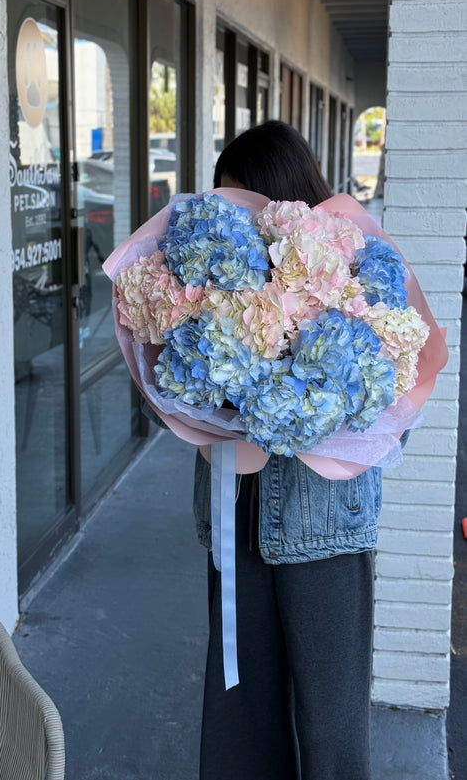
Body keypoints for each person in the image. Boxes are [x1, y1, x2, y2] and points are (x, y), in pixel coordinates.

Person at [194, 120, 381, 780]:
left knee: (331, 739)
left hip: (322, 526)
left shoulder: (353, 277)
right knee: (238, 722)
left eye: (239, 206)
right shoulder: (207, 281)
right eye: (220, 205)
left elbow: (390, 403)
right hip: (235, 514)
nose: (229, 224)